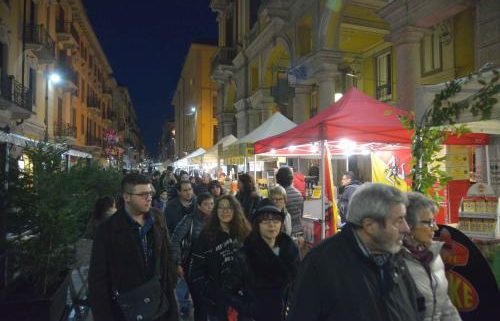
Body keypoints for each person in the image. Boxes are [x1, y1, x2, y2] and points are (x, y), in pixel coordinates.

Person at [287, 183, 423, 321]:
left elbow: (416, 307)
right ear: (369, 225)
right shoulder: (321, 265)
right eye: (398, 221)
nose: (406, 228)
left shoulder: (396, 257)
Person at [88, 173, 178, 321]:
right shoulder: (108, 229)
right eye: (142, 194)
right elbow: (98, 279)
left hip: (160, 304)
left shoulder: (158, 218)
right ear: (127, 197)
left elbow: (167, 253)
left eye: (149, 193)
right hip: (127, 309)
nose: (149, 198)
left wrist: (170, 280)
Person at [233, 198, 299, 321]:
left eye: (276, 221)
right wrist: (249, 308)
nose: (271, 225)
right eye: (265, 221)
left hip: (284, 315)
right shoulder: (245, 253)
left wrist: (291, 305)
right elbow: (229, 290)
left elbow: (298, 283)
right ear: (257, 225)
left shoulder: (290, 250)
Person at [189, 195, 251, 321]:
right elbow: (196, 271)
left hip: (243, 300)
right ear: (215, 211)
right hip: (217, 301)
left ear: (235, 210)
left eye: (229, 208)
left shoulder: (245, 233)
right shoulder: (206, 236)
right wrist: (211, 293)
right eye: (221, 208)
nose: (225, 212)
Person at [403, 192, 462, 321]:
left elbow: (445, 304)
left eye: (434, 221)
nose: (435, 227)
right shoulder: (395, 260)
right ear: (409, 225)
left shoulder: (433, 254)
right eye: (428, 222)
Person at [171, 193, 214, 321]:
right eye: (206, 204)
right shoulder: (189, 220)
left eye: (212, 204)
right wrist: (177, 263)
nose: (210, 207)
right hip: (191, 266)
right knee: (198, 301)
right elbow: (175, 241)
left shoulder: (217, 221)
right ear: (199, 206)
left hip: (211, 267)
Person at [275, 167, 304, 238]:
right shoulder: (298, 194)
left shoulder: (279, 196)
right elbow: (301, 213)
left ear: (278, 179)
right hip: (299, 230)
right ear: (291, 179)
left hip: (285, 232)